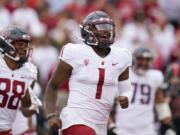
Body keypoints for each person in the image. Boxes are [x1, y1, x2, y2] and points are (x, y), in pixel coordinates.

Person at [44, 11, 133, 135]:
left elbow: (126, 89)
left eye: (108, 27)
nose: (105, 31)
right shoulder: (74, 52)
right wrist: (51, 115)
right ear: (87, 31)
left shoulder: (121, 56)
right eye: (100, 27)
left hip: (101, 124)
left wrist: (126, 97)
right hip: (75, 119)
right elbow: (53, 85)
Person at [110, 46, 176, 135]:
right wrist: (111, 125)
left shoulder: (155, 76)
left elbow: (160, 103)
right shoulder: (123, 73)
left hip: (147, 128)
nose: (143, 63)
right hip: (123, 127)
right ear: (133, 59)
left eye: (147, 60)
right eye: (140, 59)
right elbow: (108, 103)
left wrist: (168, 125)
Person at [0, 25, 42, 135]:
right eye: (20, 44)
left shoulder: (29, 72)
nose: (24, 48)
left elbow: (25, 109)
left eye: (26, 45)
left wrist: (33, 107)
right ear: (6, 44)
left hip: (6, 130)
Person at [162, 63, 180, 135]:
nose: (175, 80)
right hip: (167, 120)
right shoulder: (164, 89)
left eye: (177, 77)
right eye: (173, 77)